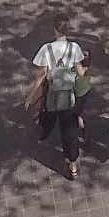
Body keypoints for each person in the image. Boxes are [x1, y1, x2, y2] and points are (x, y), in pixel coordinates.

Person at [27, 22, 87, 181]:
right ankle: (72, 164)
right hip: (69, 96)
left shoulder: (46, 49)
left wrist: (31, 96)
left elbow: (40, 76)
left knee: (48, 115)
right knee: (69, 130)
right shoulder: (74, 48)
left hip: (52, 95)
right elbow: (80, 73)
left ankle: (44, 132)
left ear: (55, 30)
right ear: (68, 30)